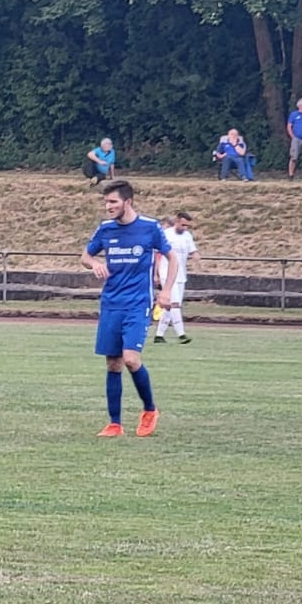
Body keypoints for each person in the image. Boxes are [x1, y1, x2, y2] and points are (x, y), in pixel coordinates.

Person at [82, 180, 176, 438]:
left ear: (128, 202)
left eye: (113, 202)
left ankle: (150, 410)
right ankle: (115, 424)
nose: (108, 206)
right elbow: (85, 255)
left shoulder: (149, 227)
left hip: (138, 303)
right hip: (111, 303)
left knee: (131, 359)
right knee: (113, 363)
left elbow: (172, 258)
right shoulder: (105, 229)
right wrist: (95, 264)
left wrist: (166, 290)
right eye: (106, 202)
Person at [153, 212, 201, 345]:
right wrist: (156, 274)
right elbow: (158, 255)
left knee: (170, 306)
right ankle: (181, 334)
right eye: (183, 225)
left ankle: (159, 335)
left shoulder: (187, 236)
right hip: (167, 273)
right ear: (177, 222)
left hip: (181, 275)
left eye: (187, 226)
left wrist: (196, 256)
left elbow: (192, 250)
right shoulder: (166, 234)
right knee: (175, 304)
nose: (185, 228)